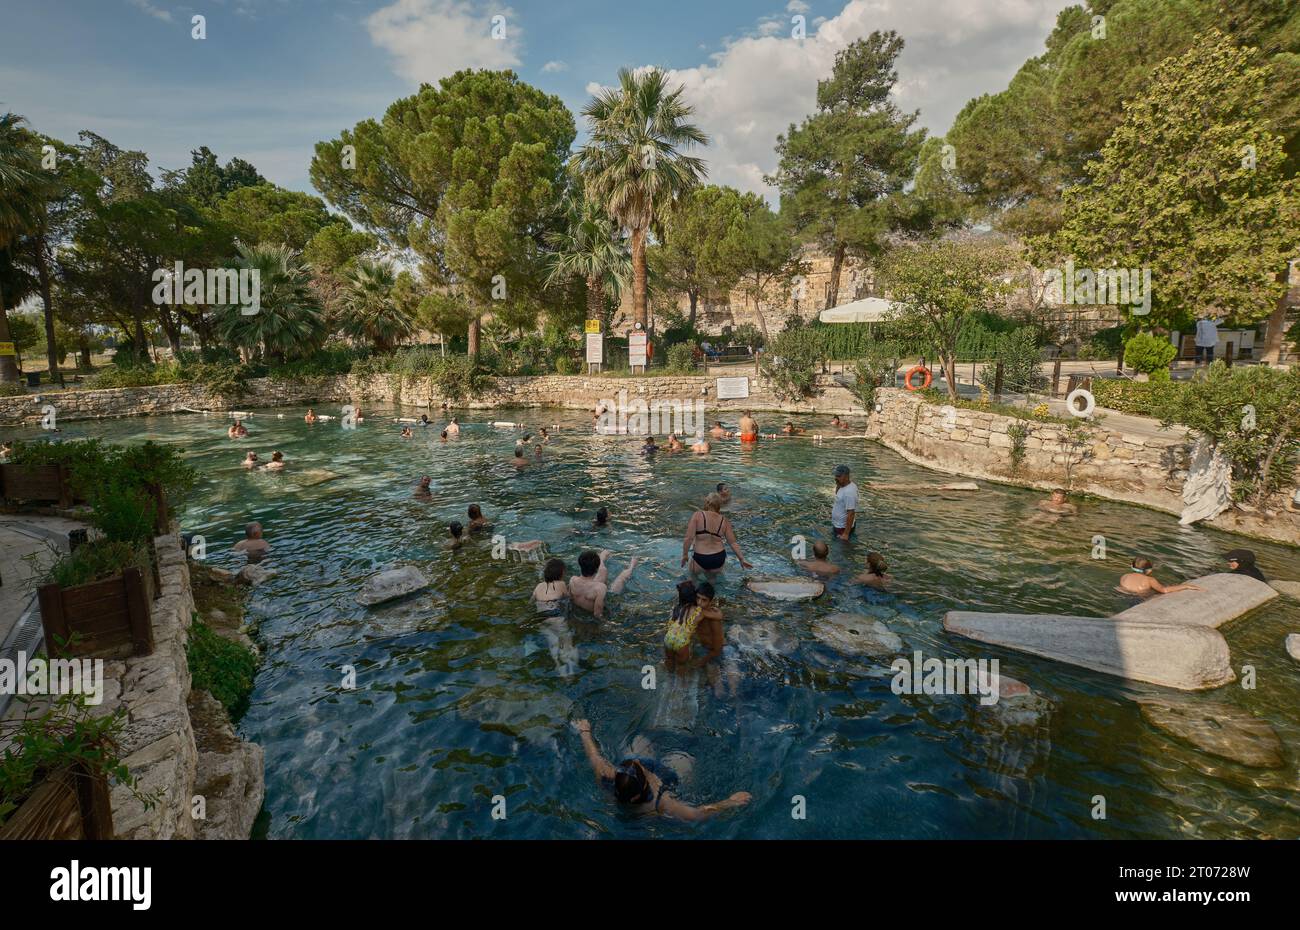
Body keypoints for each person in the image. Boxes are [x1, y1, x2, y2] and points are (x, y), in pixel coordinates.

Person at [572, 720, 751, 822]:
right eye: (640, 768)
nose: (636, 762)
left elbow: (594, 757)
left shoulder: (607, 779)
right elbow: (697, 813)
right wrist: (731, 802)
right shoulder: (661, 803)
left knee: (640, 739)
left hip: (638, 778)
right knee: (686, 758)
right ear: (645, 786)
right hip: (669, 777)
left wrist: (585, 731)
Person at [681, 492, 752, 575]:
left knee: (693, 579)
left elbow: (688, 538)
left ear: (707, 502)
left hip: (701, 556)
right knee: (713, 583)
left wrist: (685, 555)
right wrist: (741, 559)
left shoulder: (697, 515)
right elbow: (733, 543)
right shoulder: (724, 520)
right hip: (718, 558)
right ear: (719, 505)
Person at [568, 549, 638, 620]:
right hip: (596, 597)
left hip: (586, 594)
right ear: (596, 569)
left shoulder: (572, 580)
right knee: (621, 578)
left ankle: (601, 557)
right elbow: (597, 613)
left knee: (603, 570)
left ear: (580, 564)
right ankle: (632, 566)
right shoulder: (600, 588)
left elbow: (570, 598)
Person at [664, 580, 703, 673]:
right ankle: (680, 686)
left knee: (669, 660)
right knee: (681, 666)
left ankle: (669, 681)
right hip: (681, 642)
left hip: (668, 638)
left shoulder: (675, 608)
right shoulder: (697, 611)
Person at [1117, 558, 1202, 598]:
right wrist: (1186, 586)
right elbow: (1164, 590)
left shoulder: (1125, 576)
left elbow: (1121, 588)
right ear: (1149, 570)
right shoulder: (1150, 580)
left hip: (1125, 597)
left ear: (1131, 566)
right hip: (1140, 598)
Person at [831, 464, 858, 540]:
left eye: (839, 476)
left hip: (842, 528)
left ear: (846, 476)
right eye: (836, 475)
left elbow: (851, 513)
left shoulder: (849, 493)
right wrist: (838, 483)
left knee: (841, 549)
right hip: (838, 525)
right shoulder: (842, 485)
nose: (836, 478)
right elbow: (837, 494)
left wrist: (846, 534)